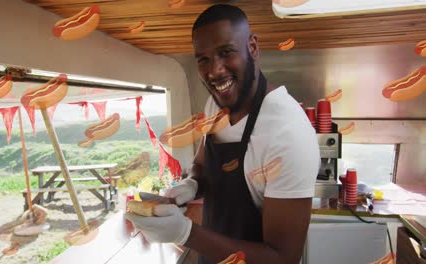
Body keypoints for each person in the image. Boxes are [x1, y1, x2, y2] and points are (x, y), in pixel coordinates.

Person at [125, 4, 320, 264]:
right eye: (203, 59)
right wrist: (190, 185)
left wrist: (185, 233)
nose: (215, 71)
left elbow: (283, 258)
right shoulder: (215, 105)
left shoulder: (287, 133)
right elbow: (201, 165)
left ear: (252, 47)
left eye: (226, 52)